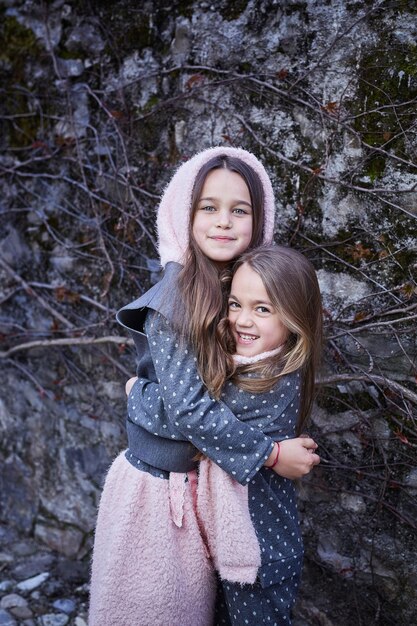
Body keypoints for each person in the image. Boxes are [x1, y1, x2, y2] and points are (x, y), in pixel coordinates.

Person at [88, 147, 319, 626]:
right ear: (182, 214)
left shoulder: (249, 288)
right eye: (208, 207)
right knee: (157, 608)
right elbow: (194, 411)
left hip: (210, 486)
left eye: (240, 210)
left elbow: (240, 393)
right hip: (161, 487)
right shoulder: (174, 300)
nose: (223, 221)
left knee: (205, 605)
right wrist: (273, 454)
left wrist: (140, 398)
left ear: (260, 220)